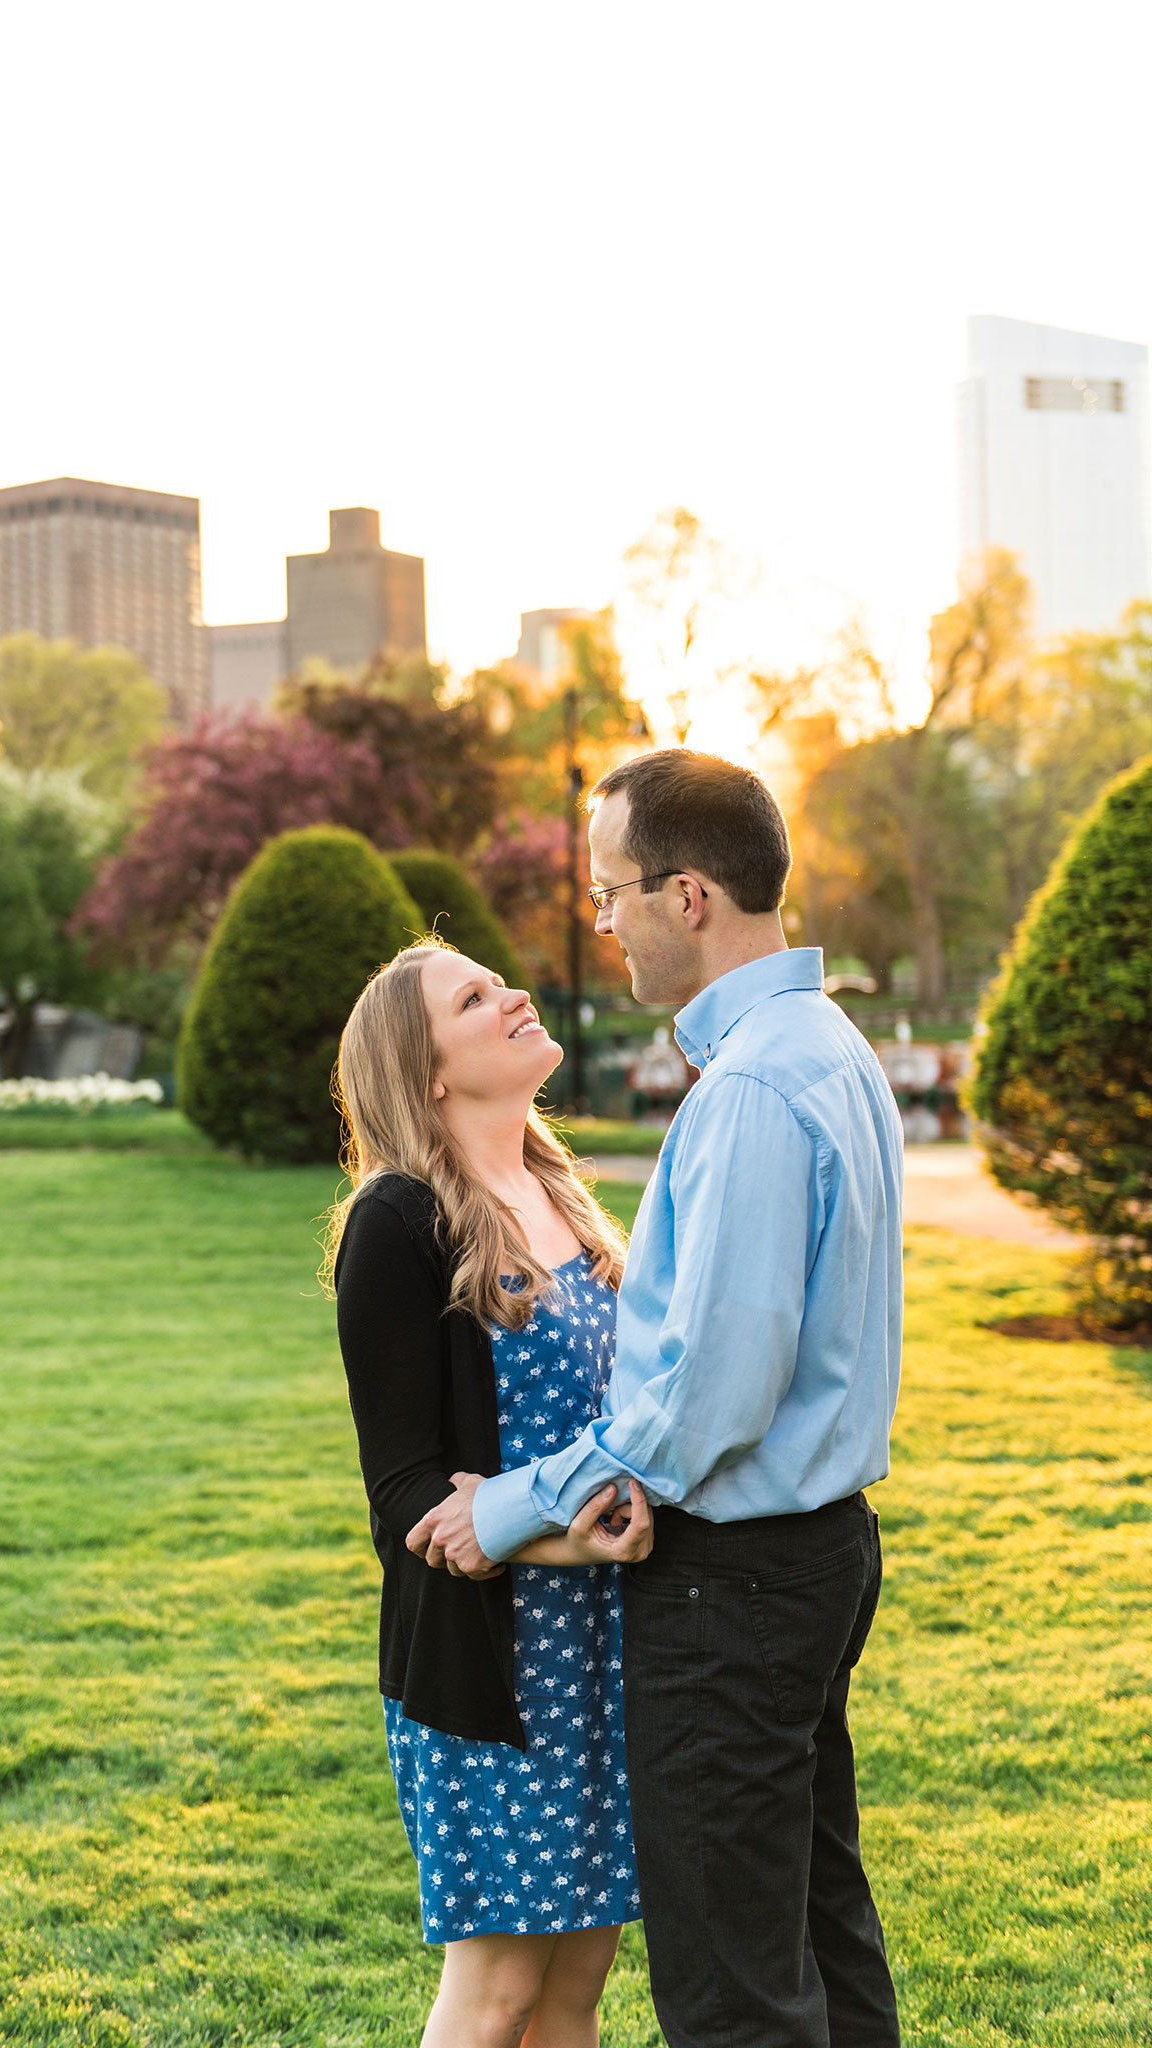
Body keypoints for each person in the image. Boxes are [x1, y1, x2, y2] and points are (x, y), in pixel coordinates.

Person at [410, 750, 904, 2048]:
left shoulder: (746, 1086)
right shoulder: (823, 1047)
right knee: (812, 1930)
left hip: (729, 1584)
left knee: (732, 1992)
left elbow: (699, 1404)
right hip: (812, 1556)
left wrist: (509, 1507)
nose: (600, 921)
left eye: (608, 891)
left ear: (686, 897)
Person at [329, 937, 654, 2048]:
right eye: (474, 997)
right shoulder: (398, 1219)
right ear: (425, 1072)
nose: (514, 992)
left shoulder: (562, 1190)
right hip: (497, 1664)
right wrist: (570, 1539)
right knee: (497, 1994)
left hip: (612, 1649)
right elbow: (409, 1498)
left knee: (575, 1990)